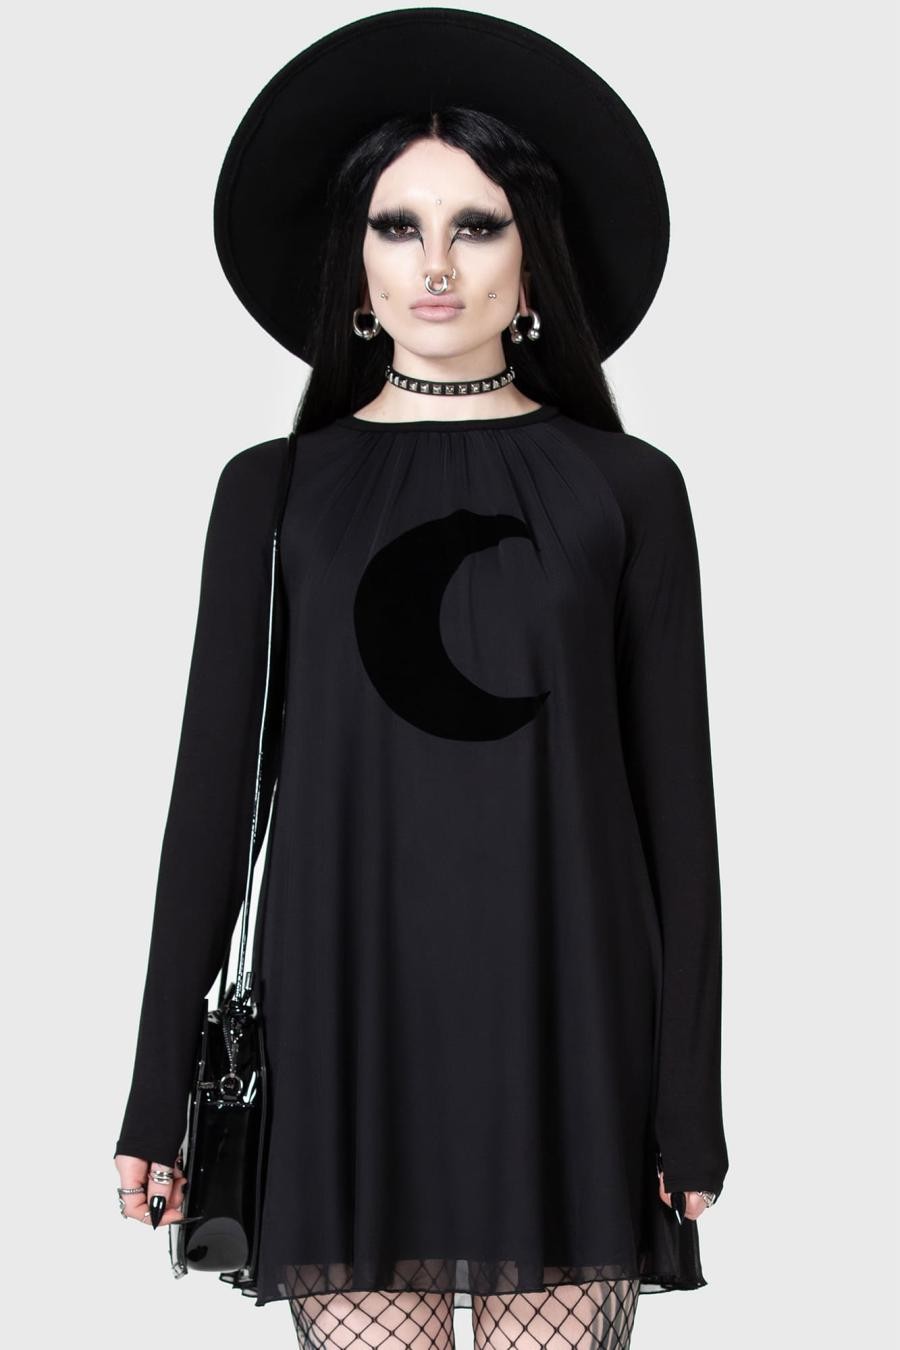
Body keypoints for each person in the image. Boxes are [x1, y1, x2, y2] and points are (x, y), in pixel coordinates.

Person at [113, 10, 729, 1350]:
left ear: (532, 258)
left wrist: (689, 1102)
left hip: (568, 1024)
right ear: (355, 261)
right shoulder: (273, 491)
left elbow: (678, 820)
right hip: (344, 1022)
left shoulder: (630, 489)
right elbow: (211, 801)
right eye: (399, 227)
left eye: (476, 226)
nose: (435, 265)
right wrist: (157, 1091)